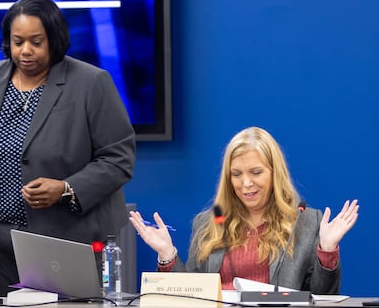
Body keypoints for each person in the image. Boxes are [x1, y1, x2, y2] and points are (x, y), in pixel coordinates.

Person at [0, 0, 136, 296]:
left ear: (54, 39)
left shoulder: (91, 82)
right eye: (18, 42)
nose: (25, 51)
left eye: (36, 42)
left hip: (67, 236)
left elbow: (119, 158)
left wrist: (66, 188)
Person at [129, 126, 359, 294]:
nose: (246, 183)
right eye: (236, 174)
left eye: (256, 173)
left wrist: (327, 250)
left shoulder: (306, 221)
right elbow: (192, 297)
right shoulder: (209, 223)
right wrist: (167, 254)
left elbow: (323, 299)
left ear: (274, 173)